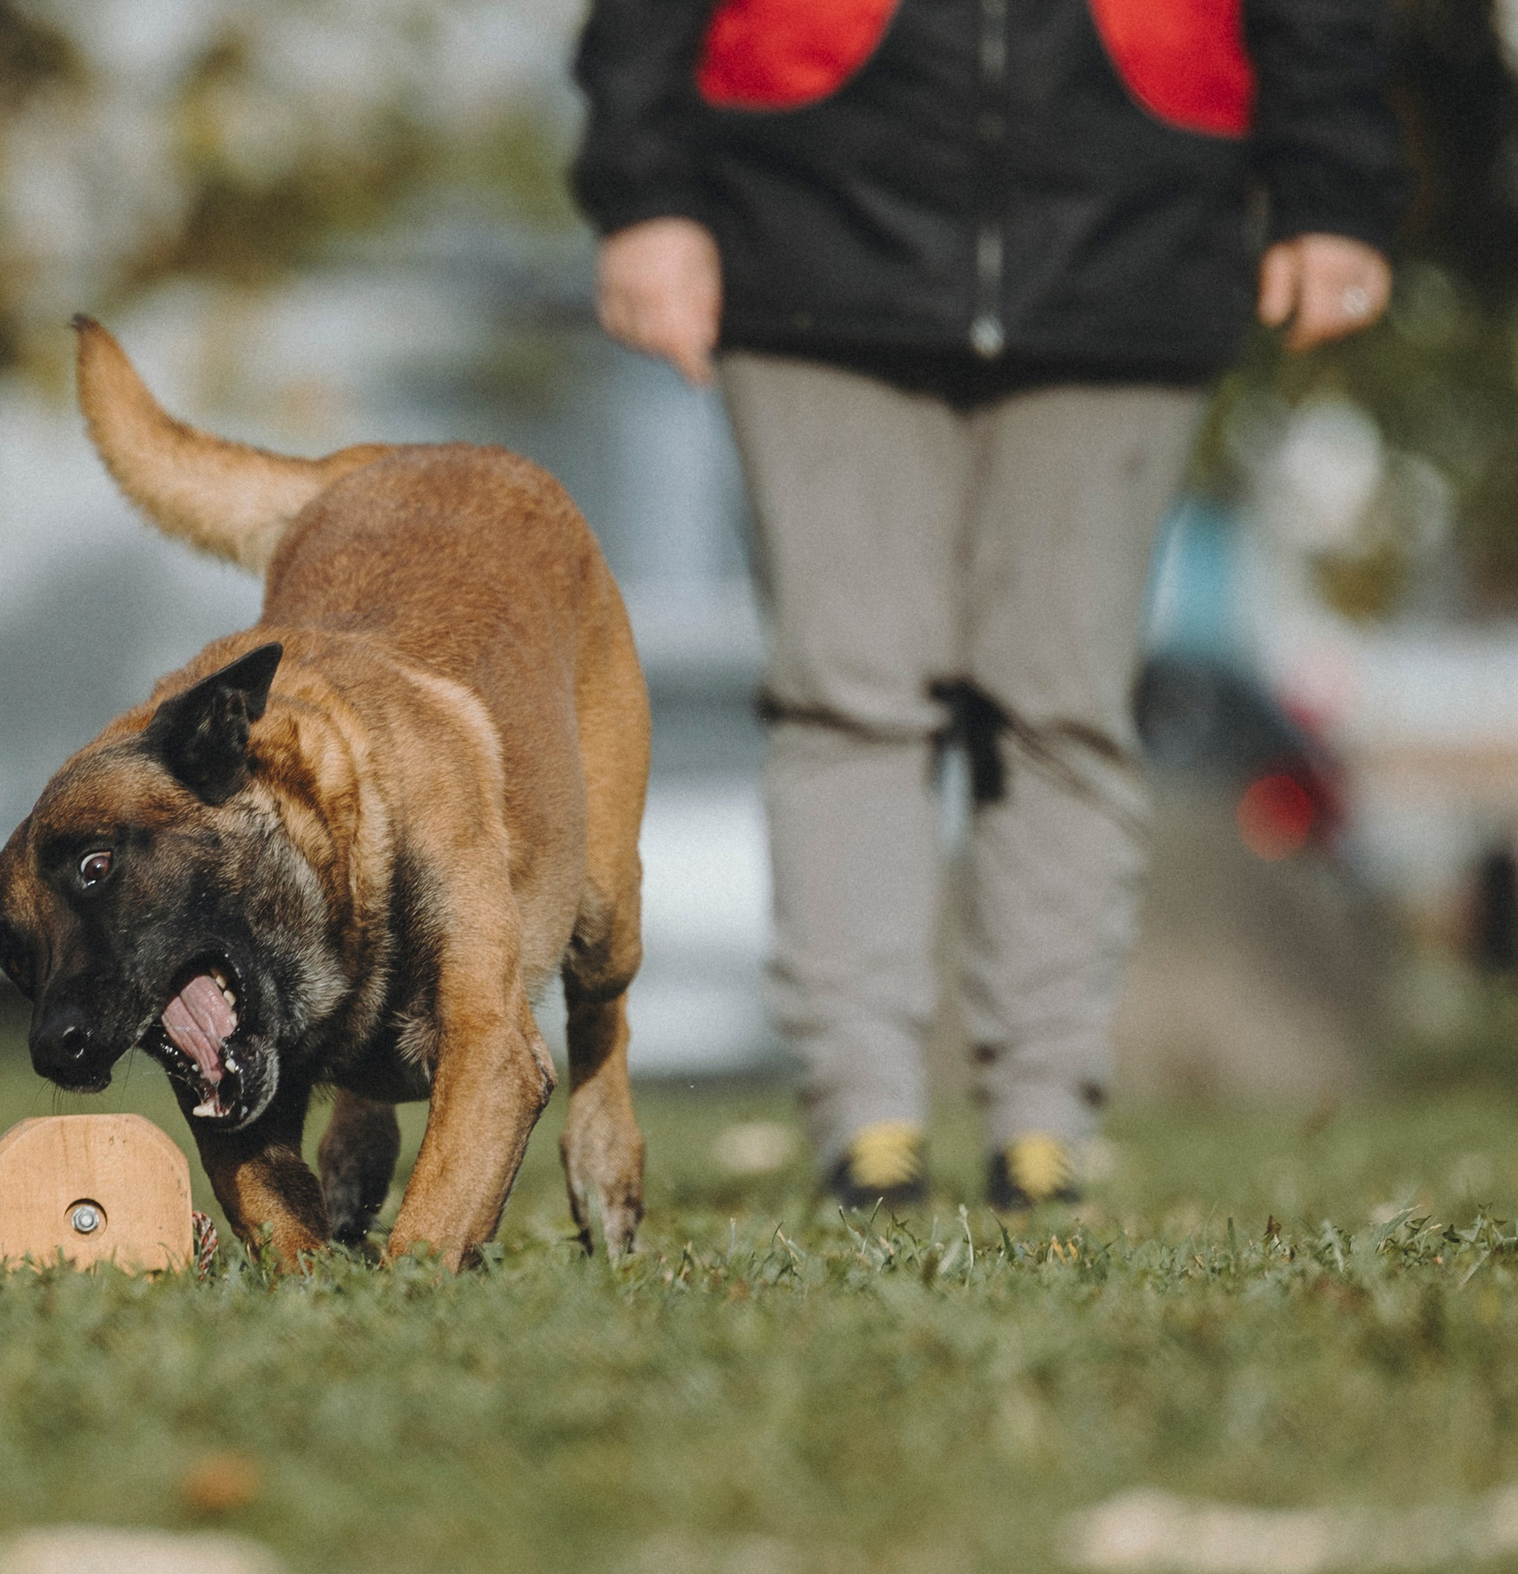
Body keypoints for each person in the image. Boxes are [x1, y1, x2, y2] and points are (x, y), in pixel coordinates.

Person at [570, 0, 1405, 1209]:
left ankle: (1043, 1130)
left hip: (1133, 234)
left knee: (1064, 708)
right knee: (844, 698)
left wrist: (1332, 188)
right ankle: (867, 1129)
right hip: (810, 227)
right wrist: (643, 193)